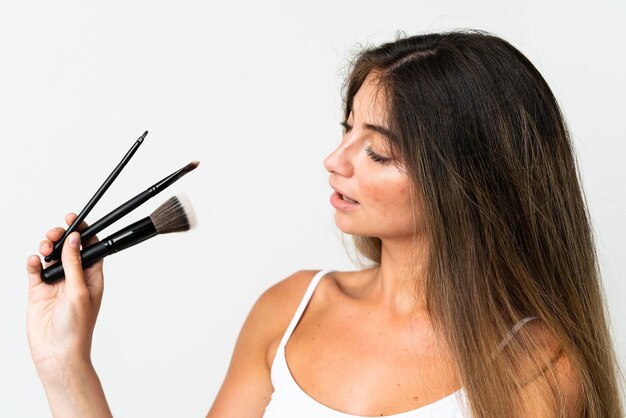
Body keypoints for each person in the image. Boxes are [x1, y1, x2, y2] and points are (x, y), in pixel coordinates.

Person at [26, 29, 624, 417]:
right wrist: (65, 364)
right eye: (347, 131)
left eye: (379, 152)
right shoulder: (291, 309)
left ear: (470, 180)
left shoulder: (537, 371)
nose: (335, 162)